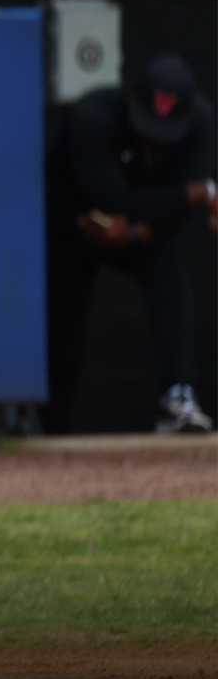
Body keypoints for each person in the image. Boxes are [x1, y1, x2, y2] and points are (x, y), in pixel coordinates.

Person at [46, 53, 215, 434]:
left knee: (169, 275)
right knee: (64, 327)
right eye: (147, 124)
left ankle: (178, 397)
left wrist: (140, 233)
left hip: (143, 232)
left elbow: (171, 214)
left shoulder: (198, 121)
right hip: (75, 226)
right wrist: (196, 194)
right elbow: (116, 201)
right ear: (132, 94)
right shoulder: (92, 115)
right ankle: (51, 425)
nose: (153, 136)